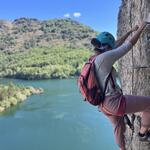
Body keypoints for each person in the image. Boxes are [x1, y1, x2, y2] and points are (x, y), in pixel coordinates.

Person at [91, 18, 150, 150]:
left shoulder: (94, 58)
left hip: (103, 105)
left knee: (118, 127)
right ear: (107, 47)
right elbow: (126, 46)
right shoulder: (105, 58)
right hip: (114, 102)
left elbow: (116, 45)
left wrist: (130, 30)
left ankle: (122, 148)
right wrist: (141, 28)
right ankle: (143, 134)